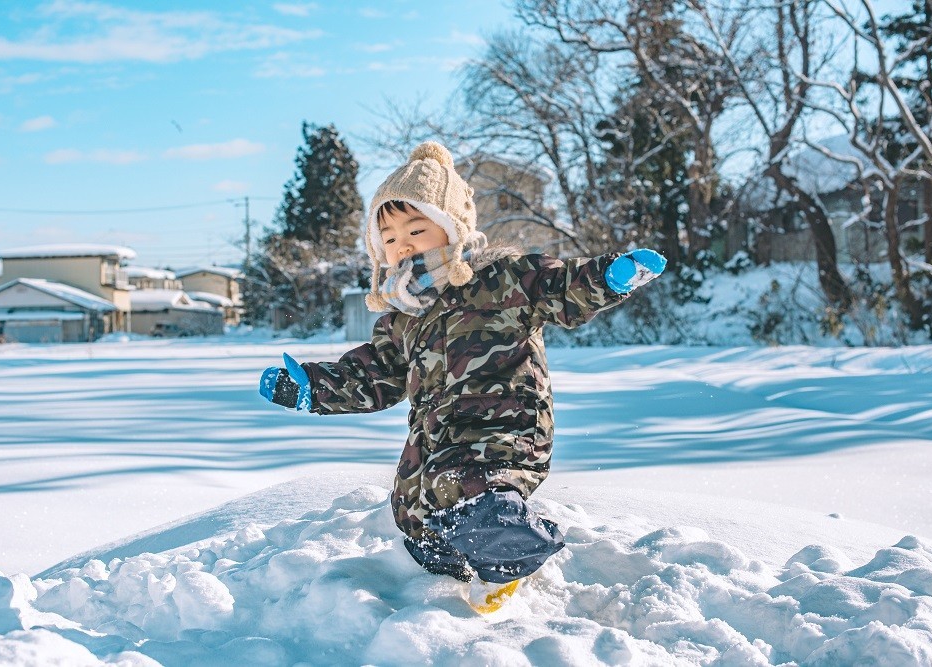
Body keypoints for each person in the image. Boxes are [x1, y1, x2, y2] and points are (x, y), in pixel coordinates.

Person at [259, 141, 666, 611]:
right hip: (435, 435)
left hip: (504, 426)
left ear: (452, 228)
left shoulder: (499, 280)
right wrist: (311, 387)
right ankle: (453, 569)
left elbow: (557, 285)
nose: (402, 243)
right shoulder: (402, 316)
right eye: (388, 237)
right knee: (415, 514)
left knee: (470, 490)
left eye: (416, 227)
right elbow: (373, 374)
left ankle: (518, 551)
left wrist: (606, 279)